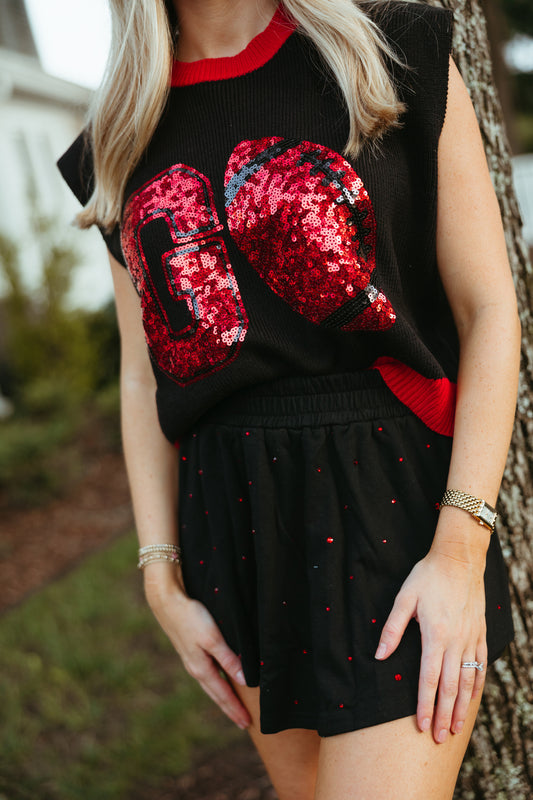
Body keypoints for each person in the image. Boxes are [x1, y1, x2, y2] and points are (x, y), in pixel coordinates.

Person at [57, 0, 520, 797]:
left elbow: (489, 312)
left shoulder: (391, 48)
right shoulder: (117, 136)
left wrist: (458, 551)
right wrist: (160, 577)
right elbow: (144, 374)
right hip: (230, 532)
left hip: (389, 512)